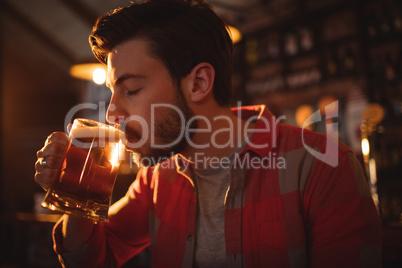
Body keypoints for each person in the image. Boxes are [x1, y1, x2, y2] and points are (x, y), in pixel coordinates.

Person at [34, 0, 381, 267]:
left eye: (132, 89)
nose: (112, 112)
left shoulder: (322, 167)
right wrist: (77, 195)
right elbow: (95, 256)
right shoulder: (159, 178)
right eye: (112, 90)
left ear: (198, 83)